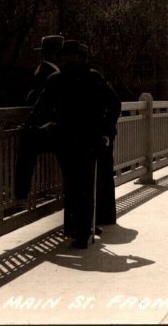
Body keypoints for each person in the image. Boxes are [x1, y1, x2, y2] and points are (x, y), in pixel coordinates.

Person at [25, 40, 121, 249]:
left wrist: (32, 128)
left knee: (71, 183)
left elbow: (40, 109)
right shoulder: (93, 77)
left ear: (63, 58)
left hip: (65, 139)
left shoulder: (55, 80)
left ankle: (74, 228)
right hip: (90, 139)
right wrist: (105, 130)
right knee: (86, 183)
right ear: (82, 57)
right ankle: (84, 232)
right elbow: (114, 103)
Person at [15, 35, 65, 201]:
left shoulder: (48, 71)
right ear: (56, 54)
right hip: (58, 128)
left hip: (55, 127)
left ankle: (21, 192)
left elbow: (36, 102)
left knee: (27, 142)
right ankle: (22, 192)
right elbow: (39, 102)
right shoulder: (47, 72)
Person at [80, 43, 121, 230]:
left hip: (100, 135)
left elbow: (114, 103)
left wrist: (105, 129)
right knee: (101, 175)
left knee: (99, 175)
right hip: (99, 134)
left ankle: (101, 217)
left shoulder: (92, 77)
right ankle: (102, 217)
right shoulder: (91, 77)